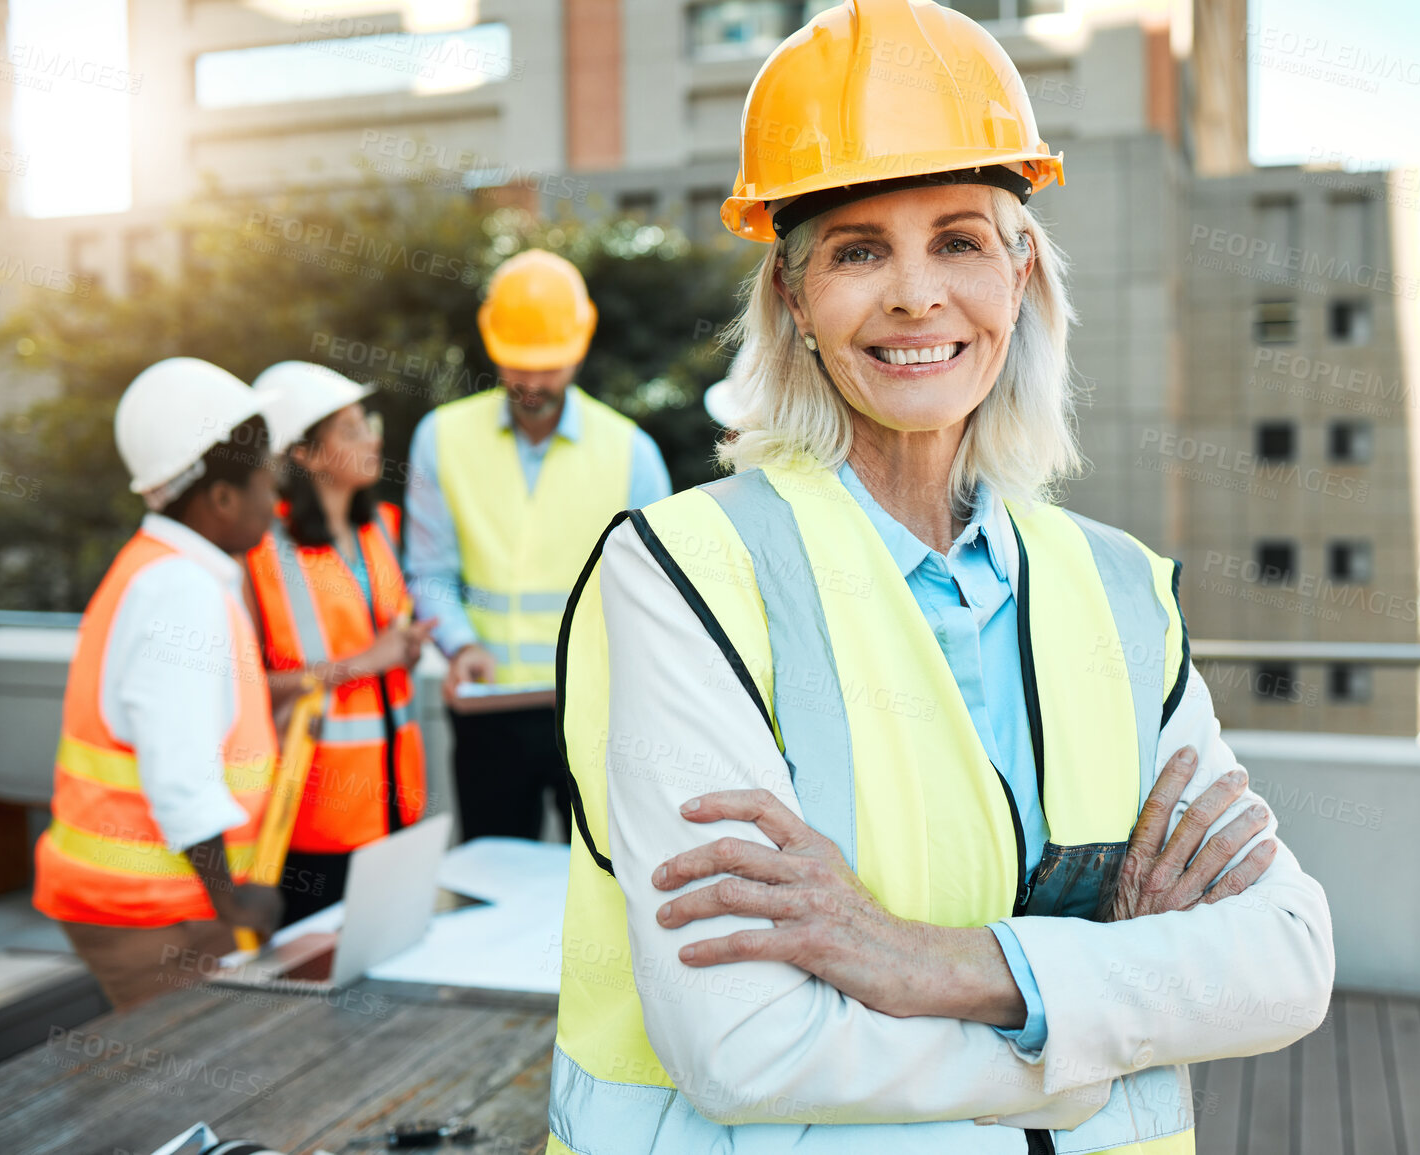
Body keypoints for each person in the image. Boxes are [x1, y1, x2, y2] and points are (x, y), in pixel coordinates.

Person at [546, 2, 1336, 1153]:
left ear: (1019, 278)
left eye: (959, 240)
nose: (916, 295)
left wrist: (935, 964)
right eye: (860, 250)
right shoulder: (685, 572)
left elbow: (1287, 960)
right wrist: (1098, 1040)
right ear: (794, 301)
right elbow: (747, 1045)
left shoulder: (1115, 587)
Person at [33, 357, 284, 1011]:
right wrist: (235, 899)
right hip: (151, 910)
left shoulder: (160, 571)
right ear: (222, 497)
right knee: (180, 1095)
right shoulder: (181, 589)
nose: (273, 502)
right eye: (264, 485)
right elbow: (179, 775)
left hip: (143, 901)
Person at [406, 248, 671, 842]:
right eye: (517, 365)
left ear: (579, 347)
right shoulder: (440, 440)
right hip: (486, 711)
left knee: (604, 883)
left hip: (595, 712)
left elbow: (657, 596)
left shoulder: (631, 453)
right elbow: (430, 574)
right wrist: (459, 643)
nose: (530, 382)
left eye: (547, 367)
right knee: (494, 876)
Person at [244, 361, 436, 925]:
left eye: (368, 423)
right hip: (315, 817)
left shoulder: (382, 530)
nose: (371, 439)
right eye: (350, 429)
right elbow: (242, 686)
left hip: (398, 801)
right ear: (303, 453)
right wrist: (362, 663)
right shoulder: (261, 551)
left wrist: (403, 649)